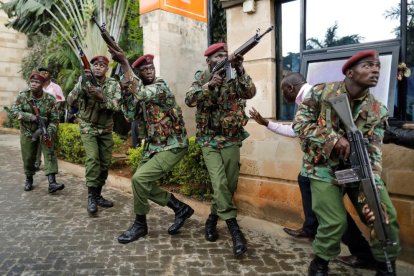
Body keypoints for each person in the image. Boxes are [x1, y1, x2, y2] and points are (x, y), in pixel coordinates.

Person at [249, 72, 375, 269]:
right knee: (305, 181)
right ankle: (310, 228)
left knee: (332, 214)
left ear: (290, 88)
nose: (283, 96)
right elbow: (297, 129)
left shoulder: (317, 96)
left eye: (283, 90)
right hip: (314, 166)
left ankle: (362, 253)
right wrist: (266, 123)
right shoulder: (306, 100)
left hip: (330, 167)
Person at [293, 50, 401, 275]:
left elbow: (374, 154)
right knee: (334, 222)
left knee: (384, 216)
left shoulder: (378, 111)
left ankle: (385, 264)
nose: (375, 70)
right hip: (323, 168)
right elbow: (300, 125)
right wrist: (333, 139)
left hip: (359, 170)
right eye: (368, 66)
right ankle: (320, 263)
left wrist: (374, 191)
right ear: (350, 72)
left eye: (378, 66)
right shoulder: (321, 92)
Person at [107, 48, 194, 244]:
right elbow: (130, 114)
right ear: (139, 73)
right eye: (144, 69)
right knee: (141, 183)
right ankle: (180, 208)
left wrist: (124, 64)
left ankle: (140, 225)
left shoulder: (160, 86)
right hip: (154, 146)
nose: (149, 70)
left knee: (139, 179)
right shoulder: (139, 91)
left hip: (173, 144)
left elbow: (144, 93)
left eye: (151, 67)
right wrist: (125, 88)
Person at [185, 43, 256, 257]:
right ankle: (235, 230)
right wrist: (208, 86)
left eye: (225, 55)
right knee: (219, 182)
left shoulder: (234, 75)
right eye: (218, 56)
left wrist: (241, 69)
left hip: (231, 138)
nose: (223, 58)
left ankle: (212, 219)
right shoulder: (202, 76)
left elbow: (250, 92)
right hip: (209, 140)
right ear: (209, 60)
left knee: (230, 183)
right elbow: (189, 99)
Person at [67, 55, 121, 215]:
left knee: (104, 163)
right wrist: (81, 85)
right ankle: (91, 197)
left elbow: (116, 107)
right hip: (87, 126)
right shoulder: (83, 81)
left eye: (102, 65)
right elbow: (70, 101)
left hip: (105, 128)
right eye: (95, 65)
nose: (98, 67)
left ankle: (97, 195)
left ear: (106, 69)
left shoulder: (113, 84)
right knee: (93, 159)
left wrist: (101, 97)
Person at [10, 72, 65, 193]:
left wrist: (48, 132)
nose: (33, 84)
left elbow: (55, 119)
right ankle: (29, 178)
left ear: (43, 85)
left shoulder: (50, 99)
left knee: (50, 153)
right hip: (28, 132)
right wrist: (31, 117)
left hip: (45, 131)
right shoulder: (23, 96)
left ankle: (52, 182)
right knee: (29, 157)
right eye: (32, 82)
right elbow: (13, 112)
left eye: (37, 82)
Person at [33, 67, 66, 171]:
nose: (43, 74)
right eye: (42, 72)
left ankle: (50, 166)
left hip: (51, 118)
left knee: (49, 140)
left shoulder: (56, 87)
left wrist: (53, 112)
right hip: (38, 117)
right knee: (37, 140)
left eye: (46, 72)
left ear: (50, 74)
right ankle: (36, 163)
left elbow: (60, 101)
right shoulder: (38, 86)